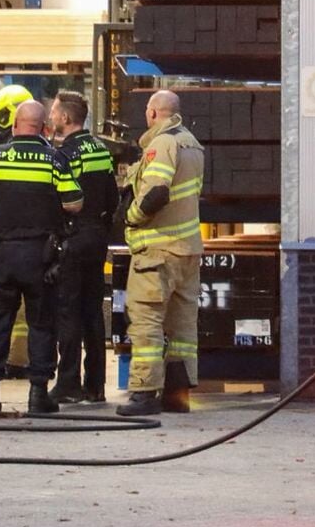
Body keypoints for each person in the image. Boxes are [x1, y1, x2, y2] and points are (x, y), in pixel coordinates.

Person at [0, 100, 81, 414]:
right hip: (40, 256)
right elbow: (74, 203)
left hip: (1, 255)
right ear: (44, 128)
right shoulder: (54, 160)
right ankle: (38, 393)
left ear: (14, 126)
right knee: (41, 323)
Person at [116, 89, 206, 417]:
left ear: (153, 113)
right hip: (188, 249)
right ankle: (177, 394)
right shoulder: (192, 143)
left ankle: (143, 391)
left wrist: (130, 217)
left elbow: (155, 193)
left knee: (146, 321)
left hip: (158, 250)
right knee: (182, 326)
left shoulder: (162, 143)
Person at [47, 90, 117, 404]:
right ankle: (96, 385)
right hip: (97, 235)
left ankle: (68, 383)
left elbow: (60, 199)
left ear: (65, 117)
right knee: (92, 310)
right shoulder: (100, 149)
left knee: (68, 311)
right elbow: (113, 196)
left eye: (53, 112)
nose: (51, 116)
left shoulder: (65, 154)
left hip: (73, 238)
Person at [0, 82, 38, 378]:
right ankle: (24, 363)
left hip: (2, 243)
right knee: (32, 311)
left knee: (1, 311)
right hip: (34, 245)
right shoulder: (47, 152)